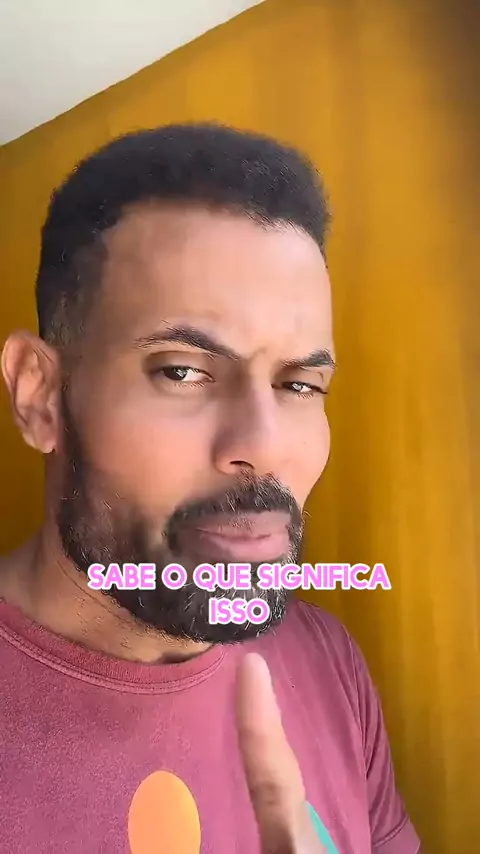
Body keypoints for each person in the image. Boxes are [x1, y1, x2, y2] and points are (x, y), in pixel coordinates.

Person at [0, 124, 420, 854]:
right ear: (40, 396)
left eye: (299, 384)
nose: (264, 447)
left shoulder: (326, 660)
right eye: (183, 371)